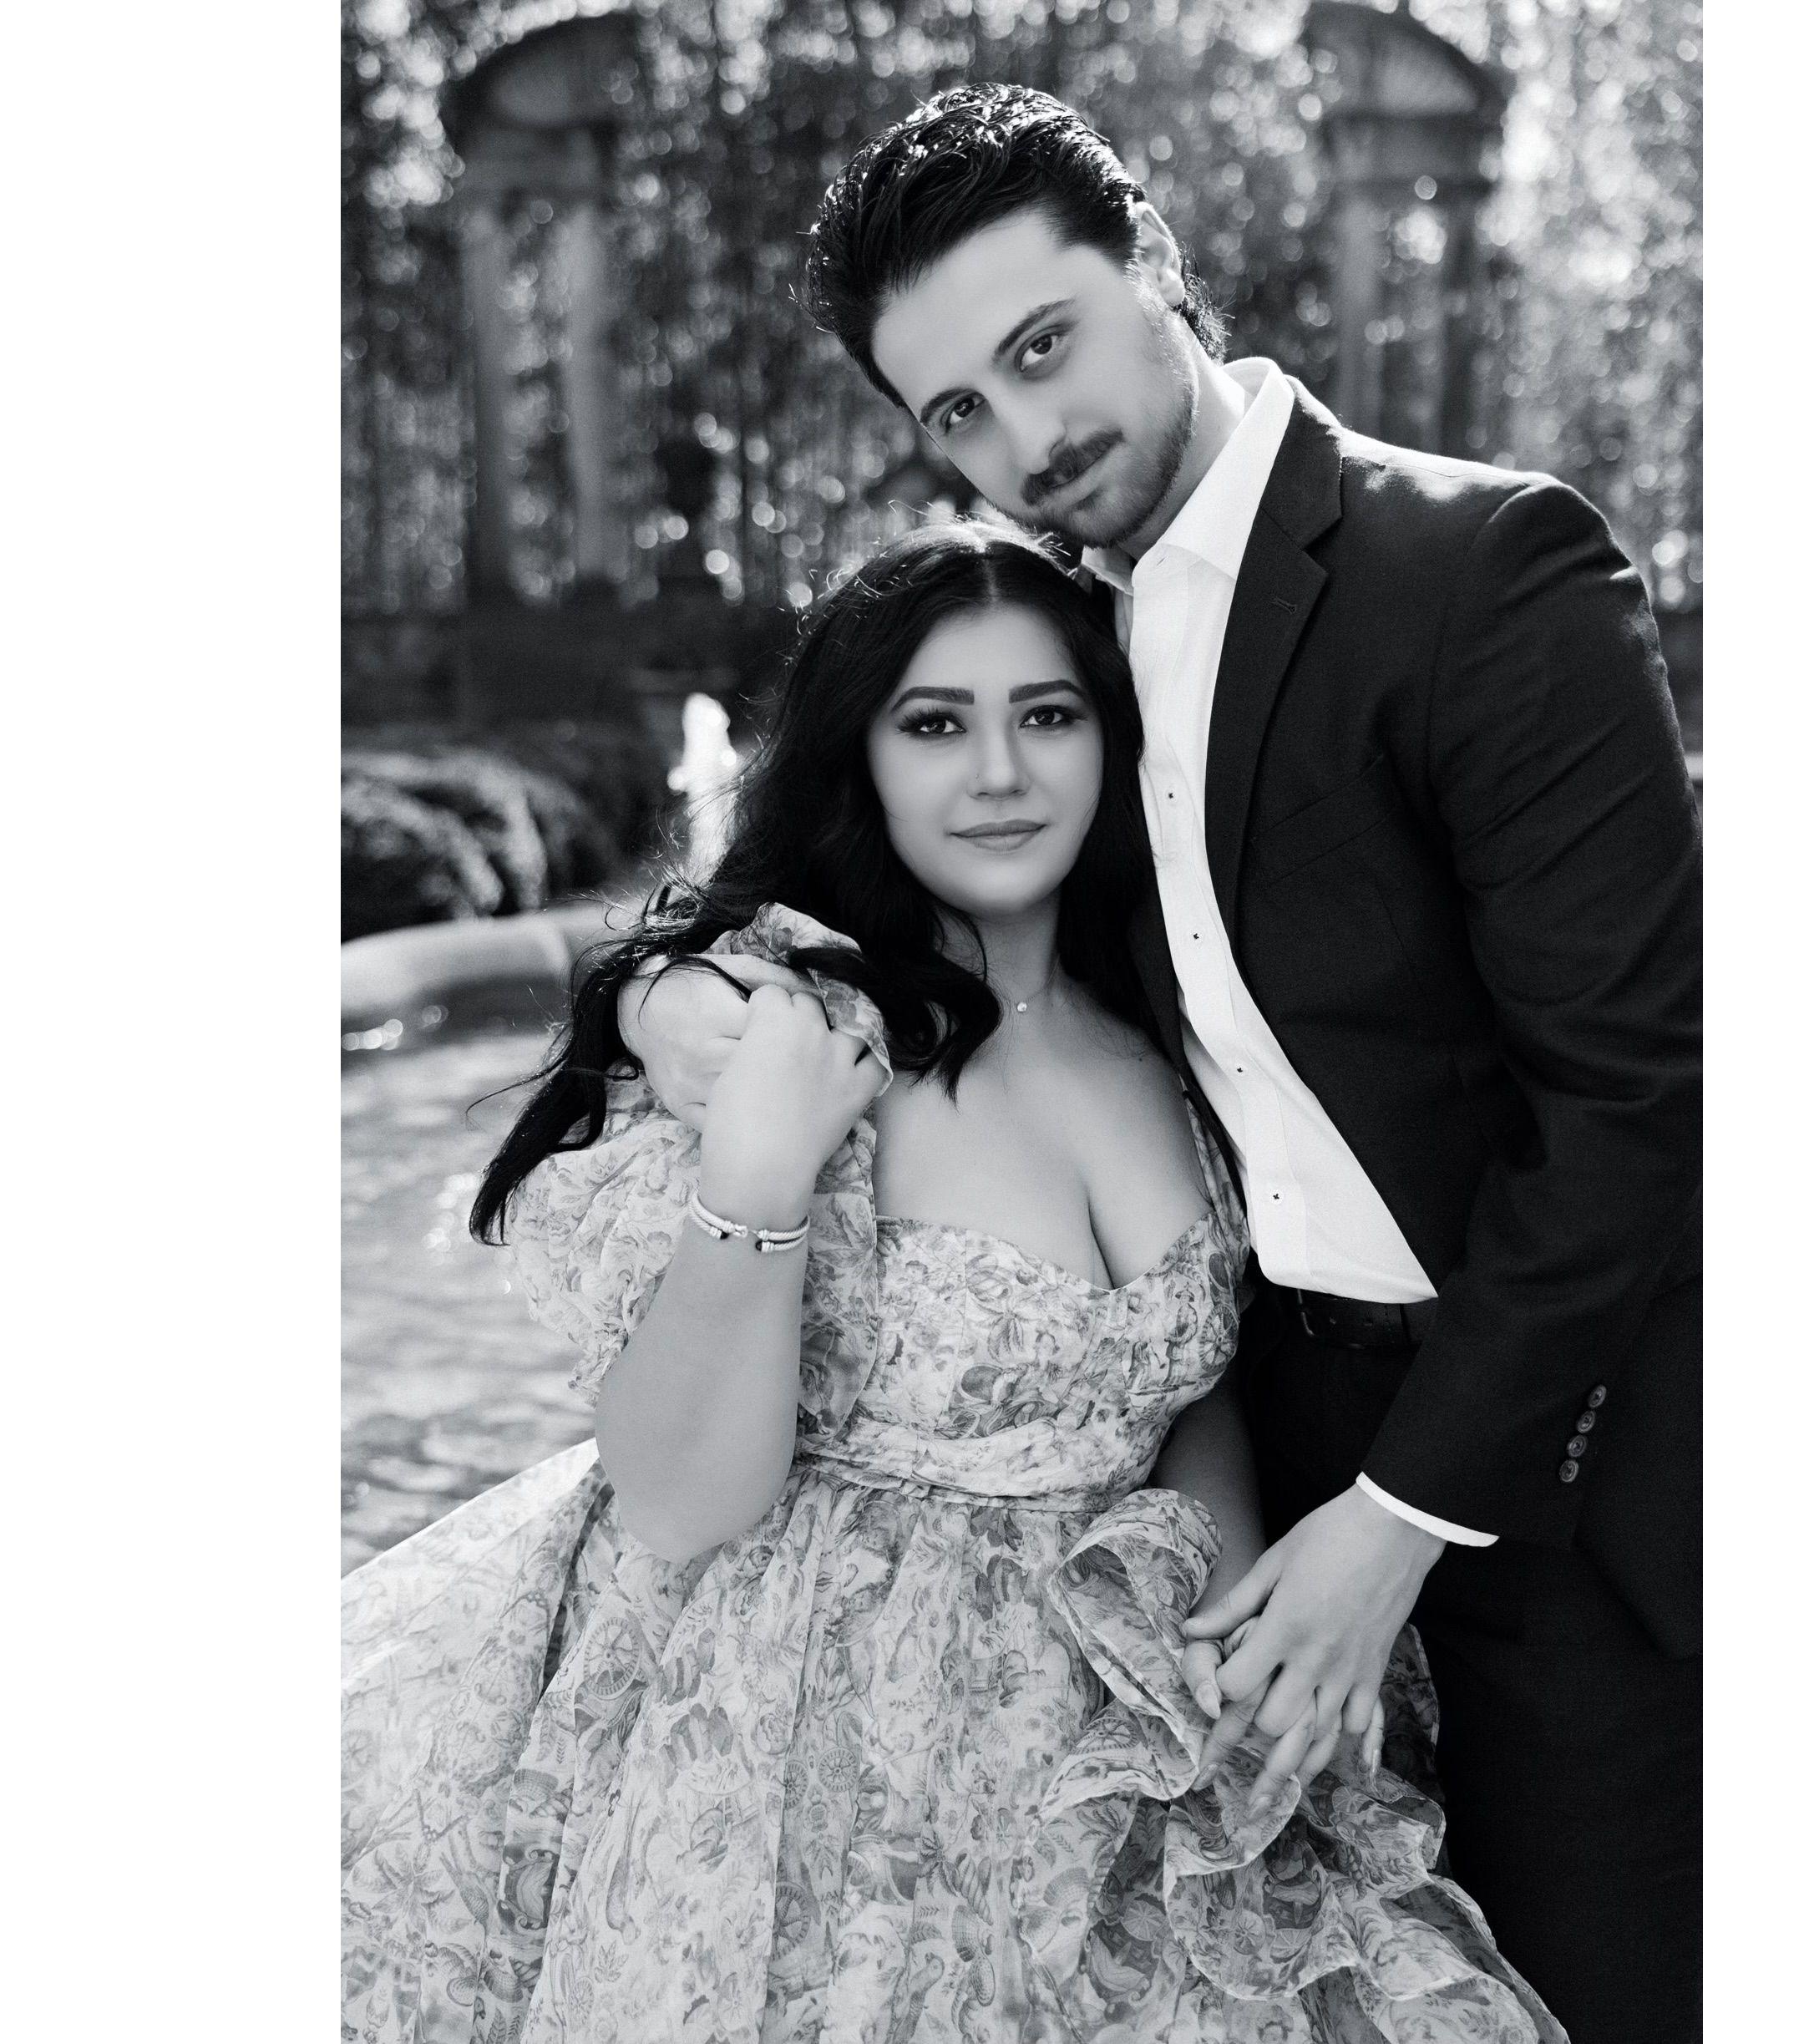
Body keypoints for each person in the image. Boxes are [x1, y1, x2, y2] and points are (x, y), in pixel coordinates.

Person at [625, 87, 1703, 2044]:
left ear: (1160, 268)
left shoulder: (1483, 572)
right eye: (958, 412)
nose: (1024, 441)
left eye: (1044, 348)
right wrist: (659, 990)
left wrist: (1404, 1511)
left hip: (1541, 1473)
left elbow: (1644, 1098)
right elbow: (876, 846)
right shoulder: (1067, 649)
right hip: (1236, 1500)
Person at [341, 522, 1563, 2042]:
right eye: (935, 724)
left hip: (1115, 1749)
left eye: (1046, 714)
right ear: (859, 756)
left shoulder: (1176, 1022)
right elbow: (679, 1501)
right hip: (811, 1754)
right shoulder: (780, 1024)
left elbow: (1176, 1388)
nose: (999, 773)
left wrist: (1234, 1640)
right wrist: (759, 1169)